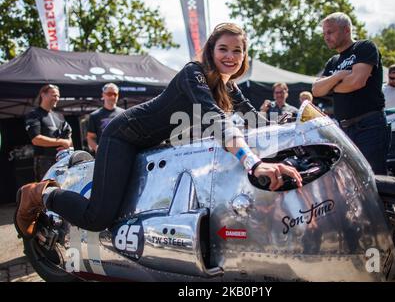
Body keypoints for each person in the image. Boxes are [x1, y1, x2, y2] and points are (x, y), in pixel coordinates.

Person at [15, 23, 303, 238]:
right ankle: (40, 194)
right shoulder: (194, 72)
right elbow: (217, 119)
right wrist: (253, 163)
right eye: (223, 49)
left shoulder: (229, 86)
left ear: (244, 55)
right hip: (124, 136)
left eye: (237, 50)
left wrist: (297, 126)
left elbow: (254, 120)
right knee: (98, 217)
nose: (231, 56)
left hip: (155, 144)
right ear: (210, 51)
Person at [312, 12, 390, 175]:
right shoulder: (333, 62)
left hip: (369, 125)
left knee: (375, 181)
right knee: (353, 181)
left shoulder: (364, 47)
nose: (326, 37)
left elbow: (357, 82)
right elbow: (316, 90)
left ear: (346, 30)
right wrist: (339, 76)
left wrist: (330, 86)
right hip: (344, 129)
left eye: (330, 32)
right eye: (324, 33)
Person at [24, 84, 73, 181]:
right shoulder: (33, 114)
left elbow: (68, 136)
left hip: (63, 160)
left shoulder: (59, 116)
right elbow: (36, 139)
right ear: (43, 95)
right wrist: (61, 142)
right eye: (54, 95)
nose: (57, 98)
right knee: (47, 192)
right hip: (45, 161)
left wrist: (68, 144)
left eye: (58, 96)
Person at [86, 83, 125, 153]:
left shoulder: (124, 114)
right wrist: (97, 148)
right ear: (103, 95)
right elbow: (90, 137)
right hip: (104, 154)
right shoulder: (95, 115)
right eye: (109, 94)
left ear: (118, 95)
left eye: (115, 94)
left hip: (121, 152)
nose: (112, 97)